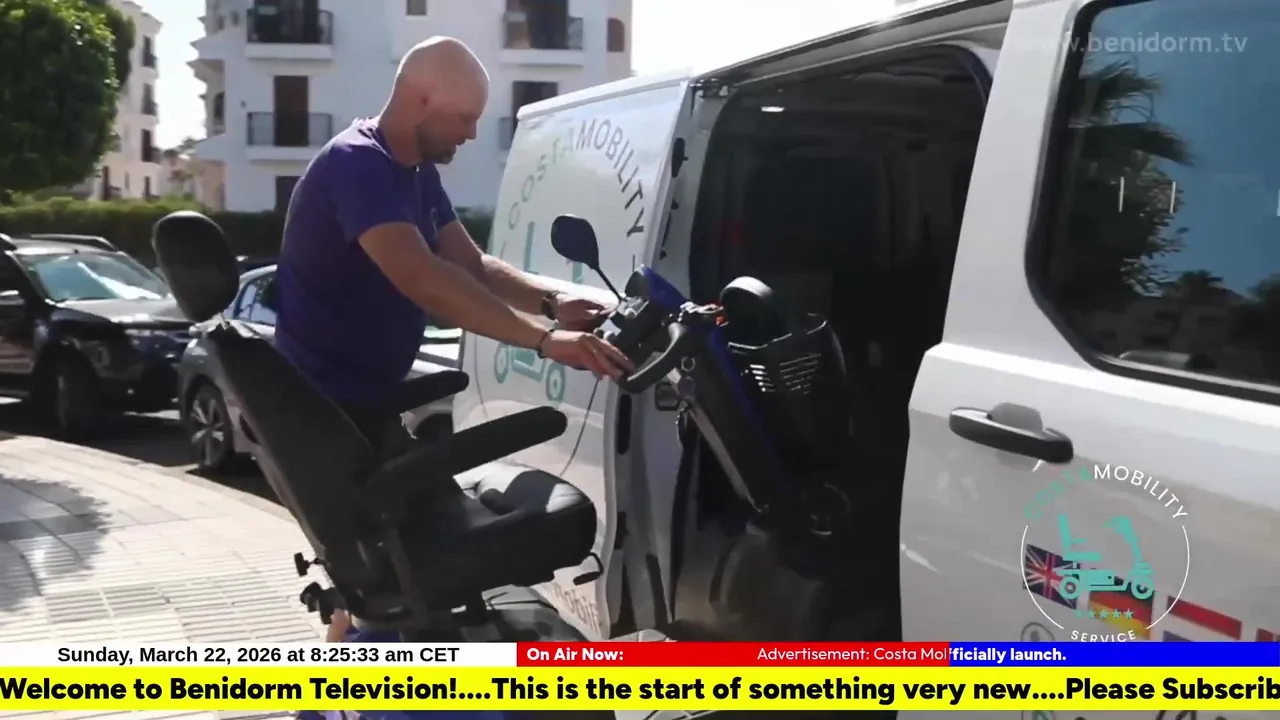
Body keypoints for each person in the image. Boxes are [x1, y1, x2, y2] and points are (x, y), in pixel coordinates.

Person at [275, 37, 634, 457]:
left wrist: (553, 303)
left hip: (368, 407)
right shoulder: (356, 163)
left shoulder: (417, 173)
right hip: (322, 416)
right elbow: (423, 279)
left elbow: (471, 264)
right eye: (465, 118)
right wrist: (546, 341)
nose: (472, 133)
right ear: (420, 100)